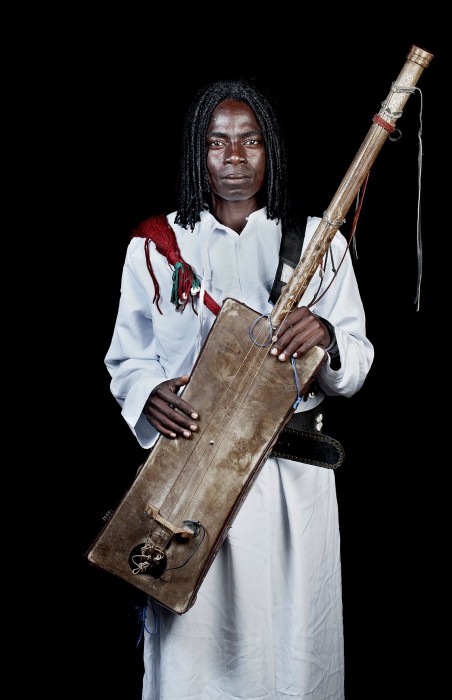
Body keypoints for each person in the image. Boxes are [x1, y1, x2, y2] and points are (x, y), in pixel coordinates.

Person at [104, 78, 374, 700]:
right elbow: (128, 358)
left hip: (290, 485)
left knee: (293, 653)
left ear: (269, 148)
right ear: (197, 153)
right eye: (217, 142)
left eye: (250, 140)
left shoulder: (320, 242)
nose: (234, 157)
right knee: (194, 659)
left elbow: (356, 363)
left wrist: (327, 336)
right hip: (190, 480)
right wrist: (148, 392)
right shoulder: (157, 247)